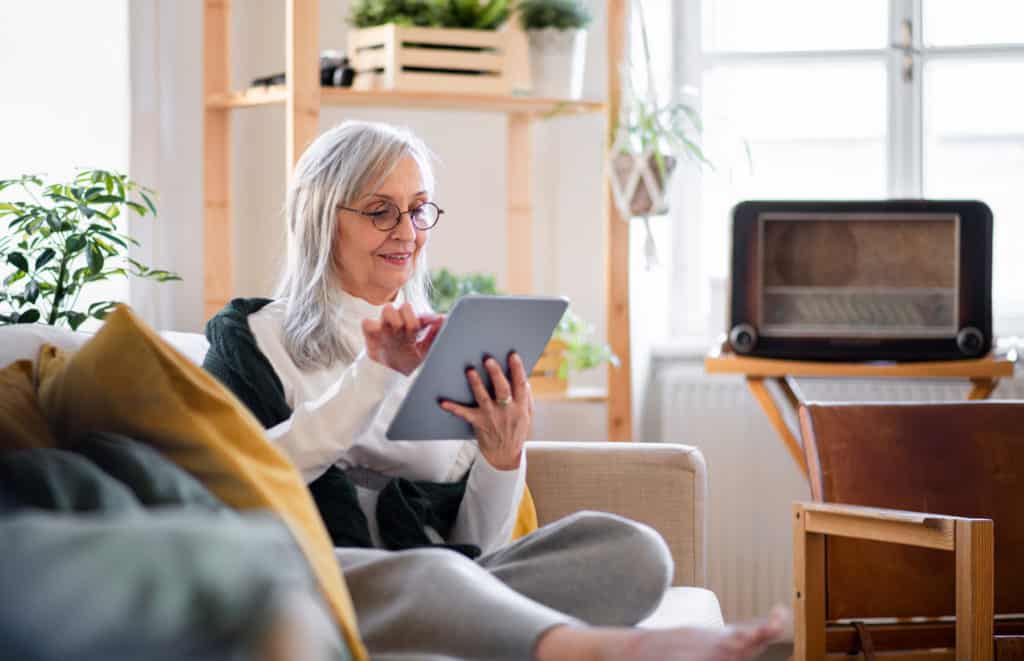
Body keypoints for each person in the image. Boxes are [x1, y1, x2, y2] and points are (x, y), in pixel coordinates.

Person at [204, 120, 786, 661]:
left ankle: (464, 627)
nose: (407, 233)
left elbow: (478, 547)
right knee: (429, 573)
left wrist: (501, 459)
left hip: (453, 577)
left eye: (418, 209)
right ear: (322, 218)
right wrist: (373, 376)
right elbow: (248, 479)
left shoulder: (445, 346)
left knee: (632, 549)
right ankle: (567, 643)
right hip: (328, 581)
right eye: (381, 212)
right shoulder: (256, 337)